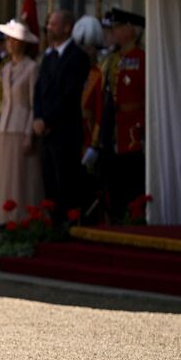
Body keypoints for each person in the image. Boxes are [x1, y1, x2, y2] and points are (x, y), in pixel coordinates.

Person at [32, 9, 89, 225]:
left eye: (53, 24)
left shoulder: (77, 57)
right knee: (50, 183)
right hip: (45, 131)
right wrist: (38, 117)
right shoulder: (48, 57)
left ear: (67, 28)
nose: (48, 28)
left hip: (64, 130)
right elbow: (38, 91)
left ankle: (69, 226)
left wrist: (47, 120)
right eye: (48, 24)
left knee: (66, 182)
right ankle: (54, 226)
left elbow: (69, 95)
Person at [0, 18, 43, 225]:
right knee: (3, 175)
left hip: (21, 128)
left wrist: (29, 133)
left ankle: (21, 218)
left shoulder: (32, 68)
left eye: (14, 39)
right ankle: (3, 218)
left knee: (20, 175)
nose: (9, 43)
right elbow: (3, 102)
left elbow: (33, 103)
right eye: (7, 39)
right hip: (5, 127)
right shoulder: (5, 69)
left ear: (23, 43)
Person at [100, 8, 146, 221]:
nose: (113, 32)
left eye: (117, 27)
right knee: (114, 181)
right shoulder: (113, 59)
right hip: (114, 127)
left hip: (132, 129)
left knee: (132, 180)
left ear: (130, 29)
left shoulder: (141, 58)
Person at [72, 15, 105, 220]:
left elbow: (99, 111)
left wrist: (94, 144)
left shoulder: (98, 74)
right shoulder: (77, 71)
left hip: (89, 134)